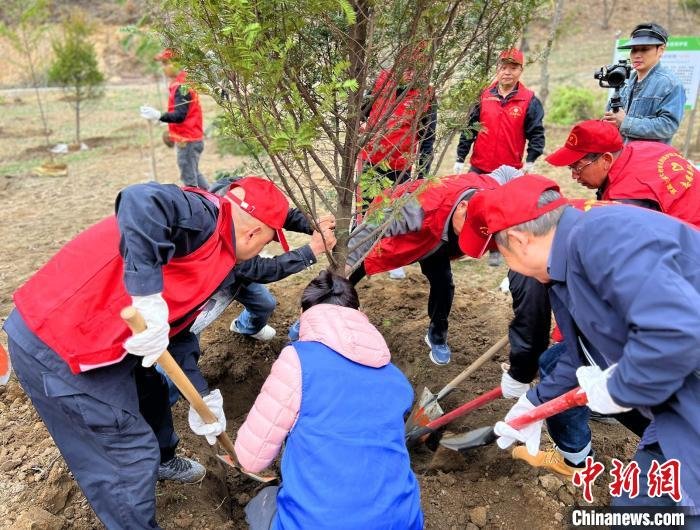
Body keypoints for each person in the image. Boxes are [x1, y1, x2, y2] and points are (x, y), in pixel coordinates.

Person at [3, 177, 326, 529]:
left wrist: (202, 395)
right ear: (252, 235)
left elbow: (179, 334)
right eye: (267, 242)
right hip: (58, 342)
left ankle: (163, 459)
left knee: (153, 395)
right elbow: (140, 200)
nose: (263, 252)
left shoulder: (222, 254)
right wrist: (146, 295)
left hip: (113, 340)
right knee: (126, 453)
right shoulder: (200, 218)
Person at [460, 174, 700, 512]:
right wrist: (534, 403)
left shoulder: (604, 237)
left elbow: (675, 332)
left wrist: (620, 388)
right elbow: (583, 356)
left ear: (518, 239)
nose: (511, 268)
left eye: (501, 254)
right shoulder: (564, 269)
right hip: (677, 406)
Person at [235, 271, 423, 530]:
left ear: (304, 316)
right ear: (360, 313)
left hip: (320, 522)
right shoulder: (396, 380)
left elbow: (250, 460)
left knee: (262, 503)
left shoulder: (298, 361)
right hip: (402, 520)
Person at [345, 166, 521, 365]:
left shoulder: (490, 191)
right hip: (407, 237)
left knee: (444, 284)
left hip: (438, 241)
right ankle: (321, 305)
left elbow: (508, 172)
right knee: (359, 266)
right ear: (462, 207)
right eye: (467, 228)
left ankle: (437, 335)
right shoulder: (416, 208)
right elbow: (370, 231)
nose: (467, 237)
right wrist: (347, 264)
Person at [454, 48, 545, 266]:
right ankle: (467, 245)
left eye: (513, 68)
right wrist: (460, 157)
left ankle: (496, 249)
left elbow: (536, 133)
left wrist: (531, 160)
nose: (507, 72)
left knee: (503, 211)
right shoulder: (483, 96)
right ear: (498, 68)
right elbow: (469, 129)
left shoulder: (529, 100)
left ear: (520, 70)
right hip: (480, 165)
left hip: (509, 168)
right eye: (503, 67)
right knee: (471, 205)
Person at [359, 45, 438, 279]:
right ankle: (362, 254)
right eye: (408, 65)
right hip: (371, 159)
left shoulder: (427, 94)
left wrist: (422, 176)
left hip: (400, 164)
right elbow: (364, 109)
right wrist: (363, 125)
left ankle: (393, 259)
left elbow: (427, 137)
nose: (411, 72)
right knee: (366, 210)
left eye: (418, 67)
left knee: (394, 212)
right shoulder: (382, 80)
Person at [547, 119, 699, 226]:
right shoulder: (648, 147)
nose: (574, 176)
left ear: (606, 159)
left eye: (577, 167)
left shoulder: (625, 198)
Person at [602, 23, 686, 144]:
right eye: (634, 49)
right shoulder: (624, 81)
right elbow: (609, 115)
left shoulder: (670, 84)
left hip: (648, 159)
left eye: (645, 49)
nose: (637, 55)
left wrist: (625, 122)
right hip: (619, 156)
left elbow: (668, 126)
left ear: (661, 50)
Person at [140, 49, 208, 189]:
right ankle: (215, 199)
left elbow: (179, 115)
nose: (163, 68)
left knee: (189, 180)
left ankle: (201, 207)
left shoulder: (181, 86)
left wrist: (159, 115)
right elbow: (185, 113)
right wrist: (161, 119)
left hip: (187, 140)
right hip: (193, 137)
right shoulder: (184, 81)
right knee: (194, 173)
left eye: (166, 63)